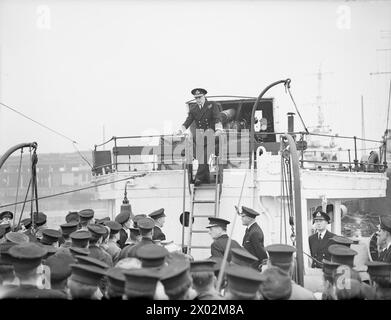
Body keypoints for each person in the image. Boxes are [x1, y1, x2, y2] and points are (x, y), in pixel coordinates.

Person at [176, 88, 224, 186]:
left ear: (204, 96)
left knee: (205, 156)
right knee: (202, 158)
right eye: (196, 98)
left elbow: (217, 117)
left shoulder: (212, 105)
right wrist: (180, 130)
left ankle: (198, 177)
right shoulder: (194, 109)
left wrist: (218, 129)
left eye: (199, 97)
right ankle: (205, 178)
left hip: (211, 134)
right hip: (200, 136)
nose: (198, 99)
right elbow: (188, 121)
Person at [238, 206, 267, 270]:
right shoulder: (250, 229)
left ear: (249, 218)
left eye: (243, 216)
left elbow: (260, 251)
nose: (241, 219)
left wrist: (264, 264)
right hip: (249, 266)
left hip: (254, 267)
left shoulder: (254, 232)